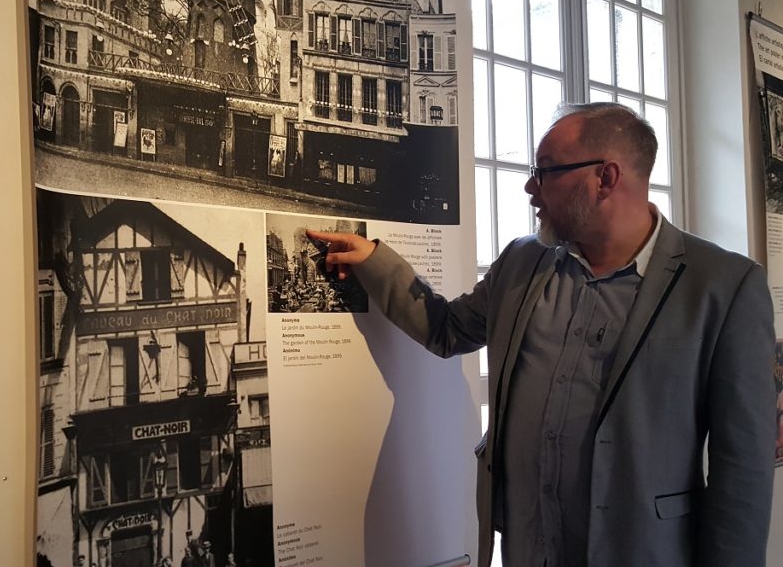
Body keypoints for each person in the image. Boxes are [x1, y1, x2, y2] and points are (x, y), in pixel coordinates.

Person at [307, 102, 776, 567]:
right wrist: (374, 261)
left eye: (547, 170)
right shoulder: (522, 262)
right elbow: (448, 329)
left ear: (605, 178)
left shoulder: (722, 286)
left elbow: (744, 476)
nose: (531, 186)